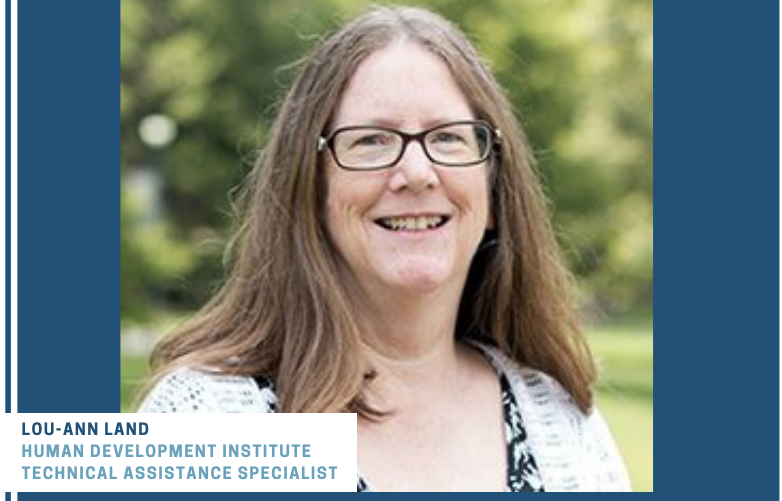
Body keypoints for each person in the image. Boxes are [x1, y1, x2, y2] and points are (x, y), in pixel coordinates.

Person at [139, 5, 631, 492]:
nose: (417, 172)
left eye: (447, 138)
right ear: (310, 190)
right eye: (372, 140)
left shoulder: (564, 423)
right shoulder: (206, 420)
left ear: (495, 191)